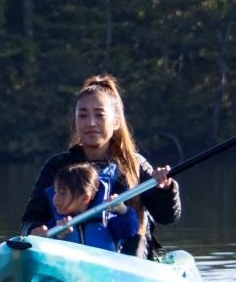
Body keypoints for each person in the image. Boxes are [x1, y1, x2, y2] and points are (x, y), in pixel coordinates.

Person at [19, 75, 177, 257]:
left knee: (137, 241)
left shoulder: (135, 164)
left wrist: (166, 188)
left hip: (130, 258)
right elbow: (30, 219)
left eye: (100, 115)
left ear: (116, 121)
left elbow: (167, 216)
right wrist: (35, 231)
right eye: (83, 115)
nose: (91, 123)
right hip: (69, 256)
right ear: (75, 121)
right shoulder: (58, 165)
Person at [45, 161, 141, 253]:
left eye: (62, 193)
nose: (55, 199)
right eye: (55, 192)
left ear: (85, 198)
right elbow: (45, 245)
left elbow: (130, 231)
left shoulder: (108, 221)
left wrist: (123, 210)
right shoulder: (57, 224)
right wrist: (56, 236)